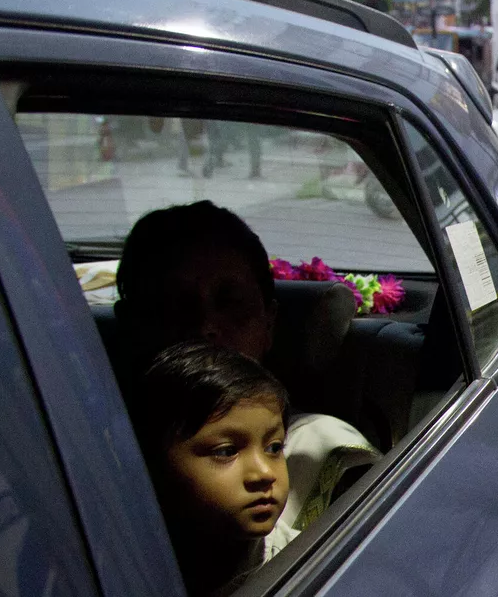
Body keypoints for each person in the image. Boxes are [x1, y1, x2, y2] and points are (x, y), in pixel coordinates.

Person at [116, 200, 380, 532]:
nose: (205, 325)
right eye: (172, 306)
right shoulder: (81, 450)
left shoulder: (321, 453)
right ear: (129, 326)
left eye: (230, 303)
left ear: (269, 324)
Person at [127, 342, 297, 596]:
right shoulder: (121, 567)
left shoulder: (304, 558)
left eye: (273, 448)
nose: (264, 473)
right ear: (151, 464)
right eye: (226, 452)